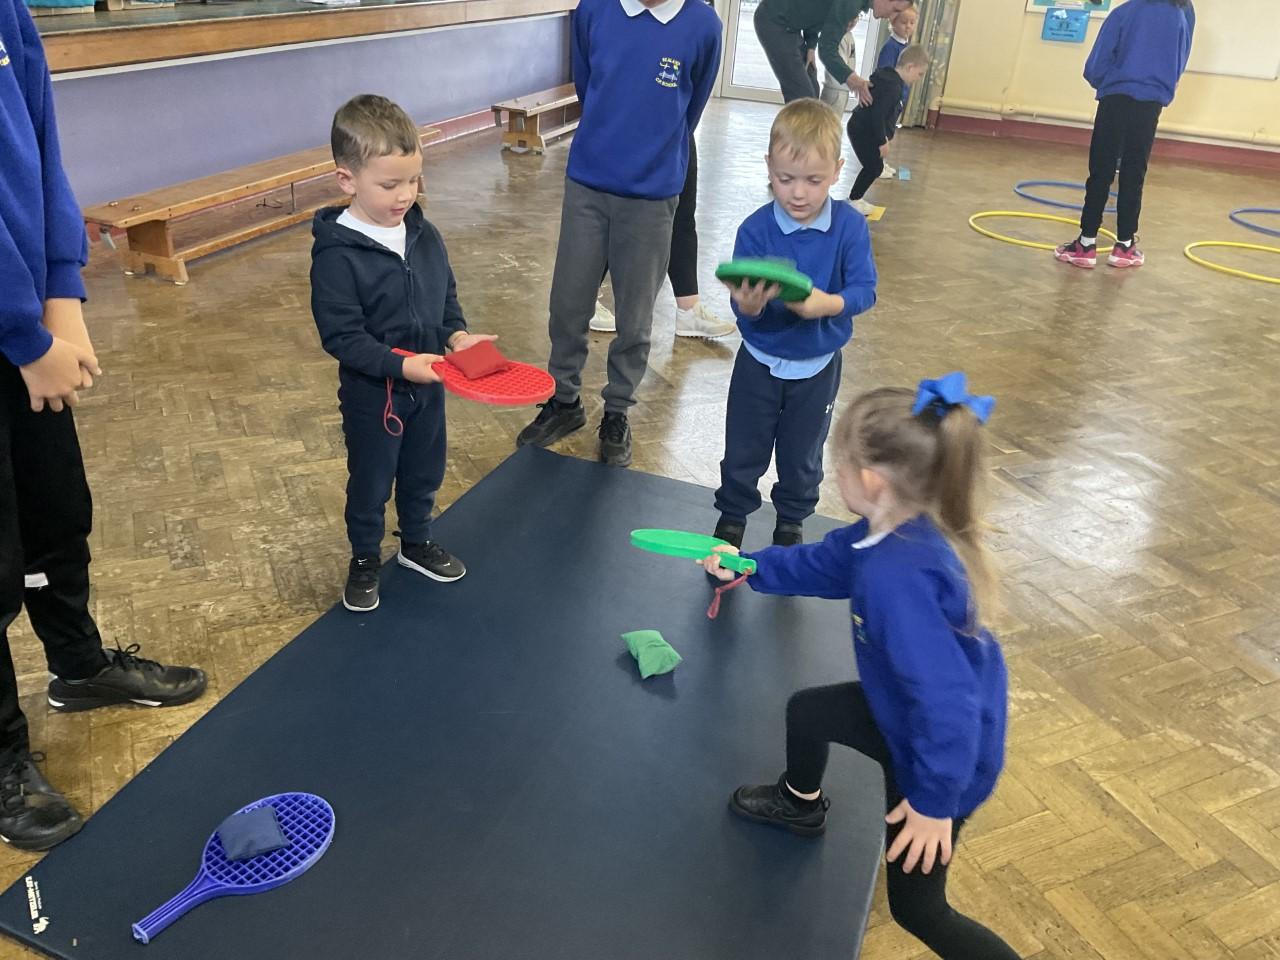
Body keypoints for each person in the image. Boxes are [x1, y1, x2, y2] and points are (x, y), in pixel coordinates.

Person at [702, 373, 1020, 960]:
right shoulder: (890, 531)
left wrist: (933, 805)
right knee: (810, 712)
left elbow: (948, 706)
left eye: (839, 465)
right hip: (904, 713)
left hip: (941, 759)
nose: (834, 474)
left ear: (871, 481)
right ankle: (799, 804)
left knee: (920, 912)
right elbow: (825, 564)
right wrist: (750, 566)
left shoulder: (899, 581)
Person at [1, 0, 207, 851]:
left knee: (56, 512)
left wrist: (61, 290)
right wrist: (23, 334)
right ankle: (2, 754)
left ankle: (79, 667)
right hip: (15, 329)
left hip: (30, 322)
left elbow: (40, 144)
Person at [516, 0, 722, 468]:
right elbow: (589, 86)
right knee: (568, 304)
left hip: (652, 195)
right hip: (588, 183)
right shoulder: (594, 10)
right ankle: (564, 401)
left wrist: (654, 154)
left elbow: (690, 109)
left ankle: (617, 411)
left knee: (635, 317)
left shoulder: (703, 25)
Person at [311, 95, 493, 612]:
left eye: (413, 180)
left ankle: (415, 542)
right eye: (389, 185)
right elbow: (342, 337)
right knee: (371, 483)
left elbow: (444, 294)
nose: (405, 195)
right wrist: (401, 364)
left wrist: (456, 337)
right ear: (347, 180)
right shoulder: (337, 255)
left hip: (430, 386)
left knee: (424, 471)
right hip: (375, 396)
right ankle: (365, 558)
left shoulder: (423, 233)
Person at [713, 100, 877, 550]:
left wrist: (829, 304)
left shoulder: (849, 228)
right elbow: (744, 307)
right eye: (785, 179)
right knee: (743, 446)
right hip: (758, 363)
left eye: (814, 180)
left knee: (803, 453)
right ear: (769, 167)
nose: (798, 193)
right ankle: (732, 514)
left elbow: (866, 291)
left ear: (837, 171)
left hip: (818, 367)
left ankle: (791, 521)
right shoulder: (755, 230)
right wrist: (749, 308)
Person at [1055, 0, 1195, 269]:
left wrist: (1108, 82)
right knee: (1134, 171)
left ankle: (1086, 244)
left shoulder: (1124, 13)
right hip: (1151, 102)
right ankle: (1125, 246)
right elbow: (1178, 65)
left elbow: (1095, 65)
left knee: (1101, 170)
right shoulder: (1179, 17)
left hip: (1115, 97)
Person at [589, 131, 736, 340]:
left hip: (677, 125)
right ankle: (585, 300)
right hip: (628, 126)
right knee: (617, 209)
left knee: (682, 212)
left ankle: (689, 309)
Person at [754, 0, 914, 105]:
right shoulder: (851, 3)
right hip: (774, 22)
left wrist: (810, 47)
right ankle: (787, 146)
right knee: (802, 99)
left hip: (791, 28)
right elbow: (827, 50)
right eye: (895, 10)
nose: (892, 17)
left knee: (812, 91)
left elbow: (816, 10)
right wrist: (853, 80)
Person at [846, 45, 928, 215]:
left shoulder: (889, 79)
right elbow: (877, 115)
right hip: (861, 129)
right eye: (919, 74)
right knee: (874, 167)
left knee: (875, 166)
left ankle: (856, 198)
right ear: (910, 67)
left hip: (863, 127)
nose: (918, 79)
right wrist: (882, 141)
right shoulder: (893, 87)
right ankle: (854, 200)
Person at [873, 5, 918, 178]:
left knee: (889, 132)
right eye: (904, 22)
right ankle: (876, 164)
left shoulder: (906, 47)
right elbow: (885, 74)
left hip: (899, 97)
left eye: (912, 23)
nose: (908, 27)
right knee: (883, 133)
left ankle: (881, 162)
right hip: (889, 98)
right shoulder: (891, 47)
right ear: (893, 22)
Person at [818, 18, 860, 114]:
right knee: (828, 120)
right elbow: (839, 64)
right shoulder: (838, 36)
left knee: (834, 119)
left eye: (856, 17)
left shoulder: (848, 35)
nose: (853, 22)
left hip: (843, 88)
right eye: (850, 17)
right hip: (836, 88)